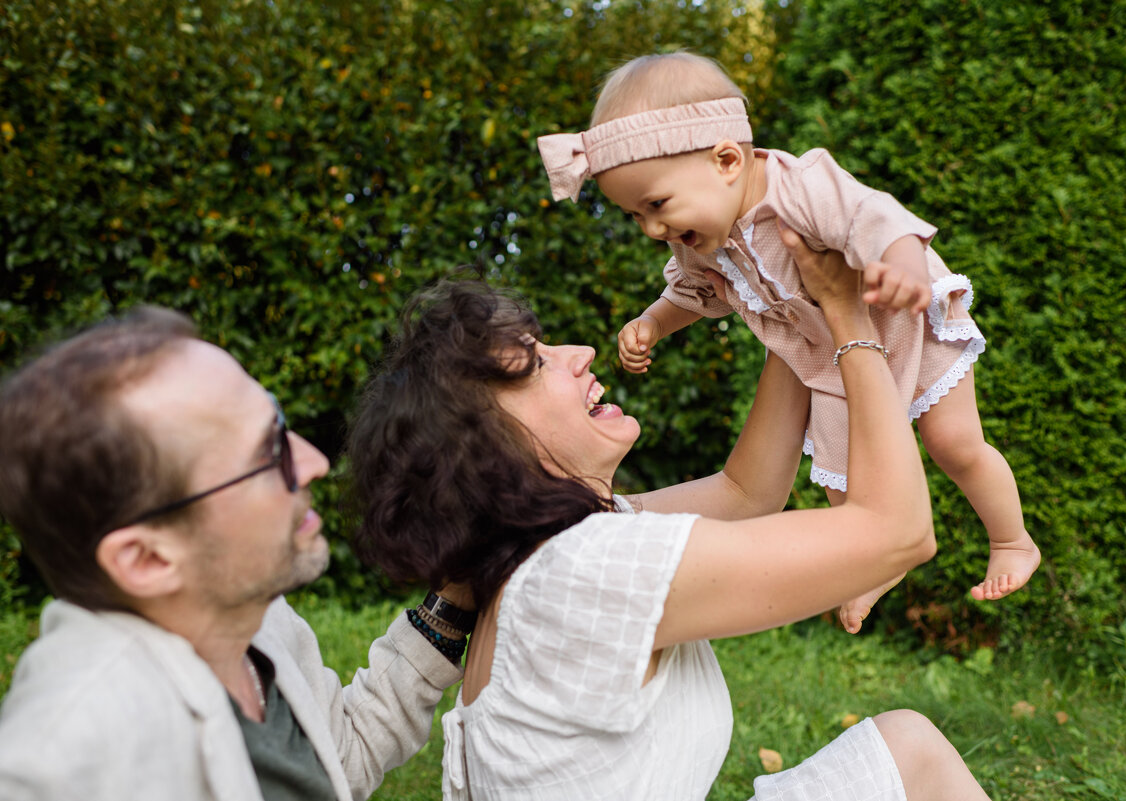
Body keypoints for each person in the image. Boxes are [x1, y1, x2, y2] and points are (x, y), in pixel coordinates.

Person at [346, 234, 991, 799]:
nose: (582, 353)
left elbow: (746, 493)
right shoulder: (581, 572)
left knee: (907, 747)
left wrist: (789, 300)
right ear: (484, 450)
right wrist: (849, 322)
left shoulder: (555, 552)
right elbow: (898, 531)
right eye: (537, 365)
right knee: (912, 751)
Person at [536, 51, 1039, 627]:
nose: (652, 229)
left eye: (656, 205)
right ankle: (873, 559)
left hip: (902, 318)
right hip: (831, 355)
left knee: (955, 443)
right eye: (634, 216)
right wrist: (653, 322)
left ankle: (1012, 541)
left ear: (727, 159)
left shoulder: (800, 187)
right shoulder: (703, 239)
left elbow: (876, 218)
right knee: (842, 477)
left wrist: (898, 264)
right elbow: (694, 294)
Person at [0, 307, 474, 801]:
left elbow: (340, 758)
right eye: (267, 455)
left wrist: (451, 605)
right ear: (147, 560)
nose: (312, 462)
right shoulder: (64, 758)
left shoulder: (249, 616)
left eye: (280, 423)